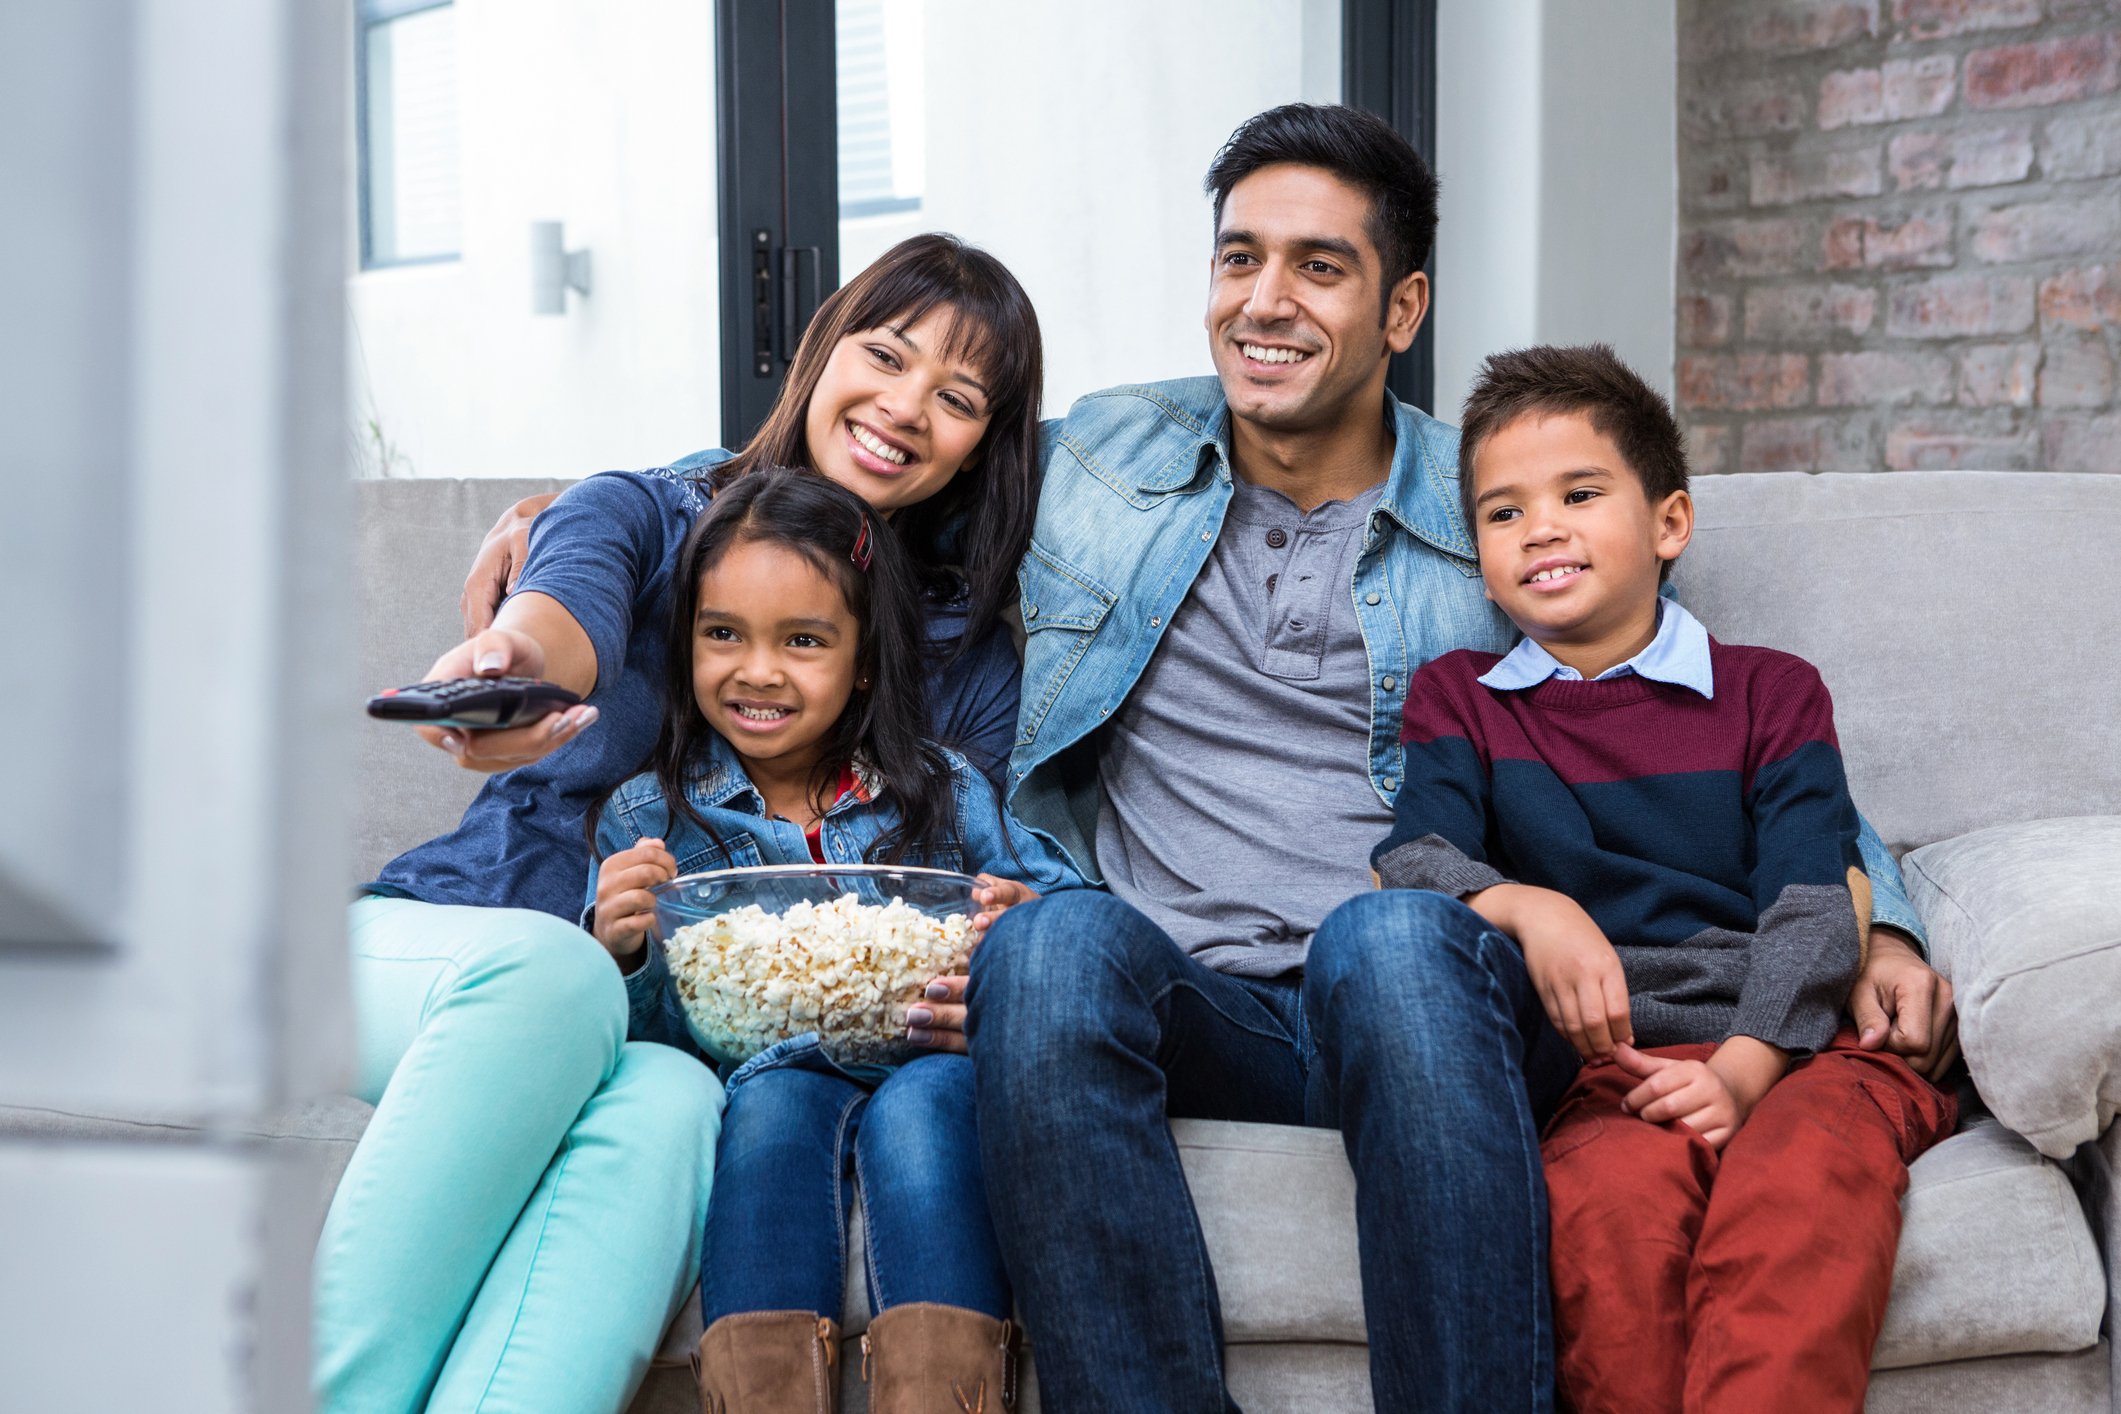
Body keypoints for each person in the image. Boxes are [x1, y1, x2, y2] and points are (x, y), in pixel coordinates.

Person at [952, 103, 1960, 1411]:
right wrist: (611, 530)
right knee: (1047, 946)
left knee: (1391, 935)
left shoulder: (1494, 506)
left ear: (1402, 305)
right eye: (1238, 256)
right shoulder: (1098, 456)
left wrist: (1886, 935)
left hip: (1441, 997)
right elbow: (837, 481)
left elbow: (1705, 713)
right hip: (1198, 999)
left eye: (1319, 266)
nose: (1264, 300)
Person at [319, 233, 1046, 1414]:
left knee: (673, 1103)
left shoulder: (960, 658)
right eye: (886, 354)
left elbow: (953, 870)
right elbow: (561, 620)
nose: (906, 408)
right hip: (442, 953)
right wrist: (510, 669)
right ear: (823, 350)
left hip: (631, 1023)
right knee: (556, 974)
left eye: (958, 398)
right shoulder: (646, 514)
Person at [1376, 343, 1956, 1412]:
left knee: (1801, 1196)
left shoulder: (1771, 693)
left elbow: (1813, 901)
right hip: (1612, 1072)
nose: (1538, 526)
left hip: (1804, 1047)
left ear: (1669, 524)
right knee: (1608, 1224)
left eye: (1579, 493)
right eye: (1503, 514)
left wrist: (1744, 1069)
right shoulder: (1459, 698)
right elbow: (1417, 858)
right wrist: (1524, 901)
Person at [584, 468, 1077, 1413]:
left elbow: (1058, 911)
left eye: (802, 641)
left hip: (926, 1057)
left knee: (928, 1114)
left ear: (861, 660)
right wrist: (620, 947)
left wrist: (1018, 933)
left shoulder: (948, 789)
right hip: (763, 1065)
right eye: (722, 633)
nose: (757, 670)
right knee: (768, 1115)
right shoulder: (651, 822)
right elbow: (650, 1044)